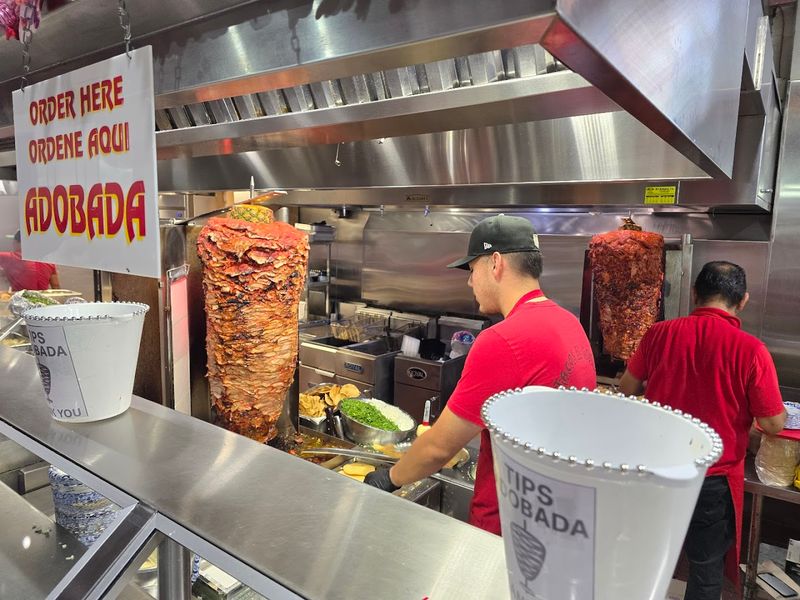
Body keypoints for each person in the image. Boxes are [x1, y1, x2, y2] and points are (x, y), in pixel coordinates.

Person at [365, 214, 596, 534]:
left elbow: (438, 448)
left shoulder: (504, 339)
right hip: (561, 520)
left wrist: (387, 478)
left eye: (472, 269)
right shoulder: (569, 324)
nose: (470, 282)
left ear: (496, 263)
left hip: (509, 530)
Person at [619, 261, 786, 600]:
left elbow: (627, 387)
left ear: (695, 294)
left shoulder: (659, 333)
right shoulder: (751, 351)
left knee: (645, 559)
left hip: (658, 474)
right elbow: (772, 423)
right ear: (743, 301)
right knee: (705, 571)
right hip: (713, 481)